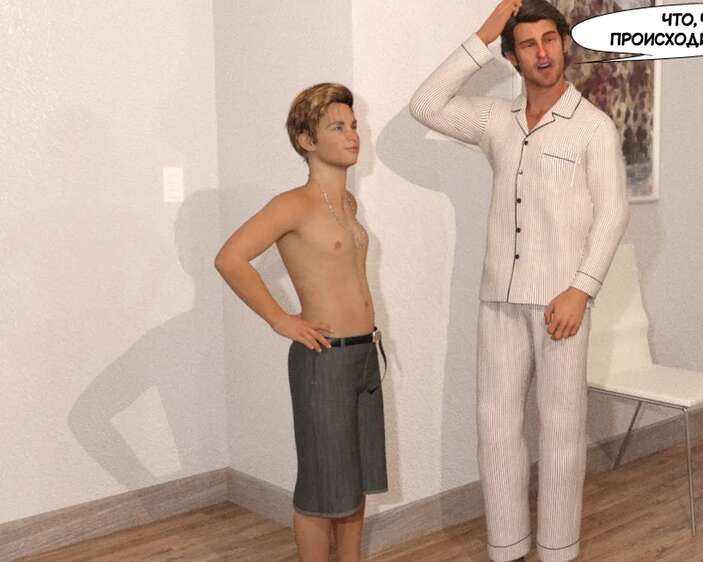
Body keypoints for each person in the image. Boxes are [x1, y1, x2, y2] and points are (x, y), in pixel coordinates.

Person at [409, 1, 629, 560]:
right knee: (497, 427)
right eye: (528, 44)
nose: (542, 52)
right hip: (499, 297)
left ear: (564, 44)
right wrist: (484, 33)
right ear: (512, 57)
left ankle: (558, 551)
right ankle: (506, 546)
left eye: (550, 39)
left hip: (561, 301)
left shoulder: (593, 126)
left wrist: (581, 289)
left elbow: (612, 213)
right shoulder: (494, 121)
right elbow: (425, 104)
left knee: (561, 431)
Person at [214, 83, 387, 562]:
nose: (353, 135)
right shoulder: (292, 204)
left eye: (353, 125)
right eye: (338, 127)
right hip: (323, 360)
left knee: (354, 480)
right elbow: (230, 258)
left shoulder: (349, 205)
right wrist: (280, 319)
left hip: (363, 354)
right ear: (306, 140)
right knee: (320, 486)